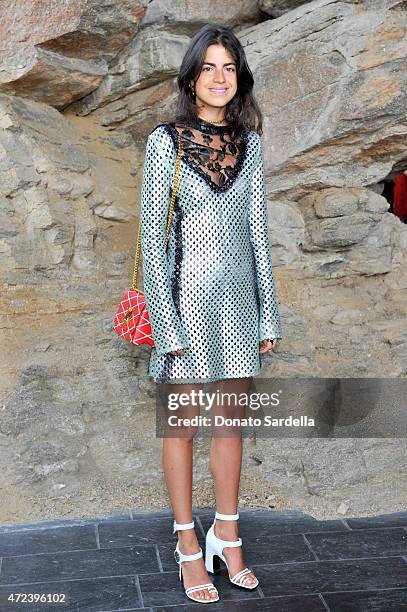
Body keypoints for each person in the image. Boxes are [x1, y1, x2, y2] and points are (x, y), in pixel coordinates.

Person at [140, 23, 283, 604]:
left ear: (239, 77)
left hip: (240, 307)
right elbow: (154, 239)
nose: (219, 78)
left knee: (230, 424)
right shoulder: (165, 143)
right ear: (192, 77)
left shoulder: (250, 144)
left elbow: (257, 233)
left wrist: (267, 316)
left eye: (229, 68)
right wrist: (167, 325)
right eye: (208, 68)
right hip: (186, 308)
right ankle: (186, 543)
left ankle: (227, 530)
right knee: (182, 425)